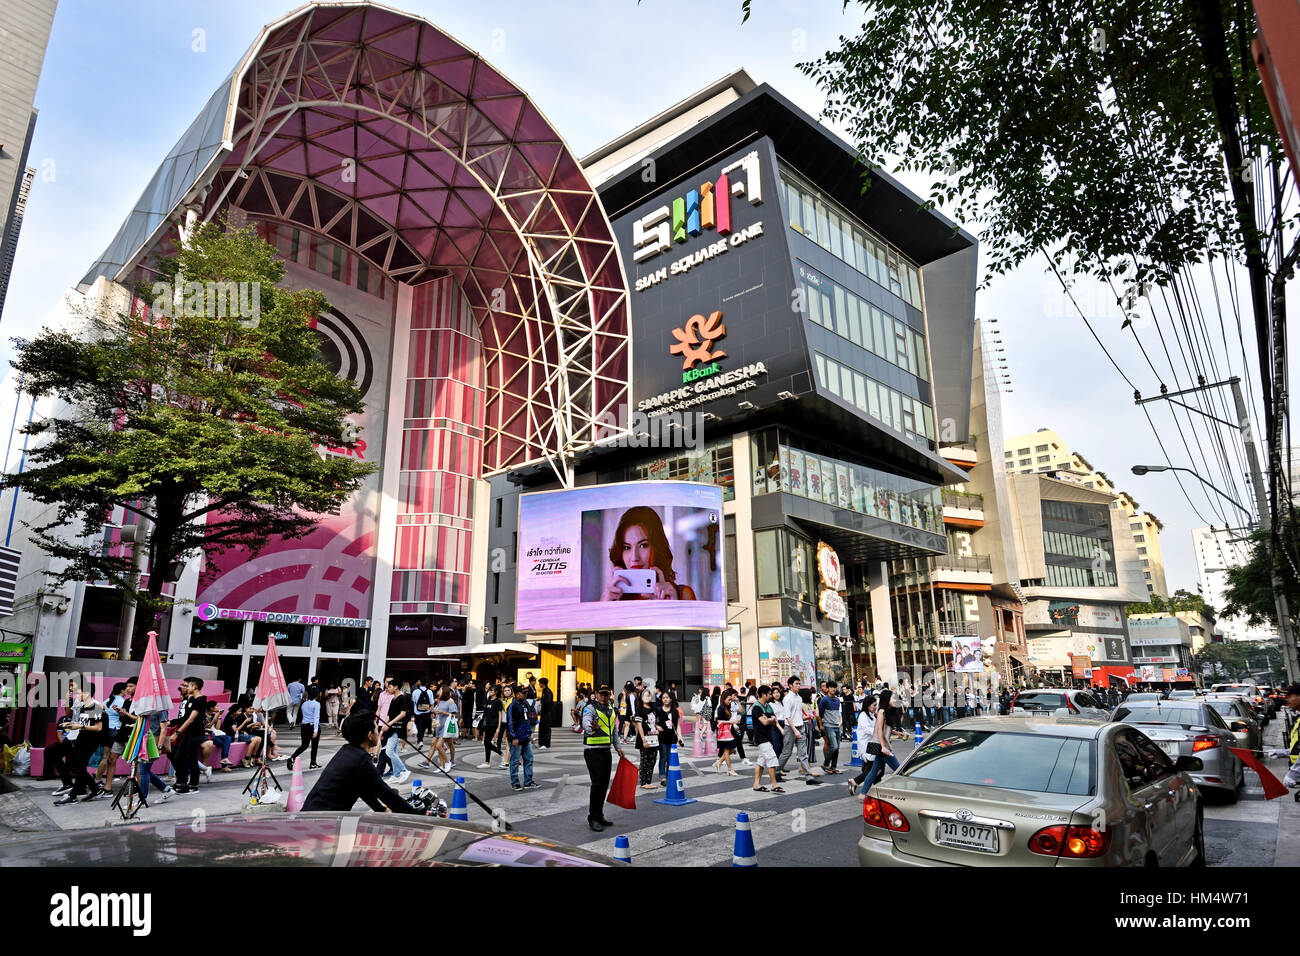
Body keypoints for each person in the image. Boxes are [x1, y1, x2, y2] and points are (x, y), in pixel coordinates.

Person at [301, 711, 421, 813]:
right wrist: (417, 816)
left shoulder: (347, 750)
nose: (378, 732)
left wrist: (381, 809)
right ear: (369, 735)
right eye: (375, 728)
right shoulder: (360, 760)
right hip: (322, 821)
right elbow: (386, 794)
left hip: (312, 813)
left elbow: (362, 788)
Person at [599, 506, 697, 601]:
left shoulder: (683, 595)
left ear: (658, 547)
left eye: (643, 545)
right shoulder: (610, 599)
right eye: (627, 547)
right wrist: (604, 609)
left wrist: (671, 606)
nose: (634, 558)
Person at [580, 684, 625, 832]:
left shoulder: (611, 708)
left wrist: (618, 747)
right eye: (601, 694)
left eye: (606, 694)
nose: (604, 697)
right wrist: (590, 727)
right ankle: (592, 817)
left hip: (606, 751)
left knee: (604, 784)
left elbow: (613, 730)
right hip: (593, 751)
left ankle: (599, 815)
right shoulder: (590, 708)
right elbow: (585, 722)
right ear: (596, 694)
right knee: (597, 784)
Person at [51, 688, 107, 805]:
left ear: (86, 692)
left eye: (78, 693)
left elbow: (98, 727)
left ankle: (73, 796)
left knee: (79, 768)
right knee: (78, 767)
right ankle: (95, 790)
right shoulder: (83, 707)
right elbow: (82, 723)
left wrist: (79, 727)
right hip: (81, 739)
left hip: (90, 742)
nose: (76, 695)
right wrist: (72, 725)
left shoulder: (94, 707)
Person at [749, 685, 785, 793]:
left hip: (768, 737)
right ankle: (774, 785)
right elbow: (765, 722)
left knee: (761, 761)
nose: (771, 696)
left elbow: (774, 720)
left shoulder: (768, 706)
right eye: (769, 694)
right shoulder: (756, 707)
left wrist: (770, 720)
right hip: (760, 738)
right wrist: (770, 719)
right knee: (772, 758)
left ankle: (756, 784)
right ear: (764, 694)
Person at [505, 684, 538, 791]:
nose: (525, 695)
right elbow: (510, 723)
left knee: (529, 759)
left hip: (525, 738)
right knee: (514, 761)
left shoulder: (525, 704)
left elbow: (527, 720)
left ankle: (528, 781)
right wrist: (514, 737)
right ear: (518, 694)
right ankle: (515, 783)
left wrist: (530, 733)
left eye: (526, 693)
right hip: (517, 739)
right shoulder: (512, 706)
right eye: (523, 693)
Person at [379, 679, 411, 785]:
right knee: (393, 751)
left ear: (396, 687)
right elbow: (388, 715)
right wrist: (384, 726)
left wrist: (389, 724)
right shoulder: (393, 699)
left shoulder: (402, 698)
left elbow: (403, 714)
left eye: (389, 686)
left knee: (389, 752)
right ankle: (396, 774)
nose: (388, 688)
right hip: (391, 728)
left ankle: (404, 770)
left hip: (397, 728)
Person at [288, 685, 323, 771]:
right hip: (312, 726)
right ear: (316, 695)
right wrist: (316, 730)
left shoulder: (304, 704)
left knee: (304, 745)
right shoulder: (317, 704)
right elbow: (316, 718)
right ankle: (313, 763)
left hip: (304, 726)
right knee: (314, 746)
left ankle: (292, 758)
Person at [633, 688, 659, 790]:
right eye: (645, 696)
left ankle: (649, 781)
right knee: (644, 760)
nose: (647, 697)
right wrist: (644, 740)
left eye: (648, 695)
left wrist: (657, 729)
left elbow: (654, 722)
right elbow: (639, 726)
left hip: (654, 738)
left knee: (652, 760)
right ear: (641, 697)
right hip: (644, 739)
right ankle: (643, 782)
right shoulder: (639, 710)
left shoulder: (653, 708)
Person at [430, 685, 459, 772]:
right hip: (439, 725)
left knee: (438, 746)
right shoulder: (440, 701)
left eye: (440, 690)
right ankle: (442, 766)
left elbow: (453, 715)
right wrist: (434, 712)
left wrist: (442, 712)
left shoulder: (450, 701)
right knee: (443, 746)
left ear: (444, 692)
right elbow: (437, 710)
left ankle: (448, 762)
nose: (438, 691)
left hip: (446, 726)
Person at [477, 683, 505, 768]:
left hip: (494, 724)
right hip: (487, 724)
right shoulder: (488, 700)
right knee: (486, 743)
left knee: (487, 742)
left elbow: (500, 715)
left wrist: (498, 727)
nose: (490, 691)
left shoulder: (498, 702)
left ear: (496, 692)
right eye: (490, 690)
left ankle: (501, 754)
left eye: (492, 690)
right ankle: (487, 762)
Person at [819, 679, 843, 774]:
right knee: (834, 746)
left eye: (834, 687)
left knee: (837, 748)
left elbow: (838, 713)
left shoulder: (837, 700)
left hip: (837, 726)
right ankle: (825, 764)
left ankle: (833, 767)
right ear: (828, 689)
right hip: (828, 725)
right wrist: (821, 725)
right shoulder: (824, 700)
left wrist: (840, 722)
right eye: (831, 687)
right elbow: (820, 714)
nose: (833, 689)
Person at [654, 690, 678, 786]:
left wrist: (680, 737)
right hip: (662, 738)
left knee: (670, 758)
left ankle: (669, 776)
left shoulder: (674, 711)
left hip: (672, 738)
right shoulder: (658, 710)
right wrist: (657, 726)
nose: (665, 699)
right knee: (663, 757)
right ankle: (662, 777)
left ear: (671, 699)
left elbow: (677, 725)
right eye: (663, 698)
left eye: (667, 697)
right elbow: (652, 721)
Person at [710, 700, 739, 775]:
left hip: (729, 731)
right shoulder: (720, 708)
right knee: (727, 750)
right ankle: (730, 769)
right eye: (729, 699)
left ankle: (719, 762)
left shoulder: (727, 707)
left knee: (732, 750)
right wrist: (731, 722)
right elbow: (719, 721)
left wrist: (733, 722)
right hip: (724, 732)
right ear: (724, 698)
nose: (730, 701)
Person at [411, 678, 434, 747]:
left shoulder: (415, 691)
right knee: (423, 727)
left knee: (419, 727)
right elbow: (432, 703)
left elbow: (414, 701)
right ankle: (420, 740)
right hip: (426, 712)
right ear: (427, 683)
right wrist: (431, 712)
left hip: (417, 712)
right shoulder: (430, 691)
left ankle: (420, 741)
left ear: (420, 682)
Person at [537, 677, 554, 750]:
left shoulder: (548, 692)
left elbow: (548, 703)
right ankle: (541, 743)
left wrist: (542, 706)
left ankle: (546, 744)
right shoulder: (544, 691)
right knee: (542, 728)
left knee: (546, 728)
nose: (539, 684)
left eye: (540, 683)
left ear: (543, 684)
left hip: (547, 713)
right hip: (544, 712)